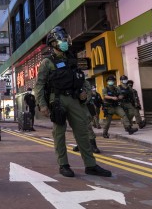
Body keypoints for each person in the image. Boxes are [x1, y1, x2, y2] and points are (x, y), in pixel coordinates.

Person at [33, 26, 111, 178]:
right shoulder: (47, 62)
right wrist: (42, 104)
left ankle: (90, 165)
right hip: (58, 101)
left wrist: (86, 94)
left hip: (75, 100)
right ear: (53, 43)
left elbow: (82, 80)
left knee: (82, 132)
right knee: (59, 134)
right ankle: (64, 165)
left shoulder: (71, 59)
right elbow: (39, 85)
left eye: (64, 39)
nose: (64, 42)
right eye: (60, 39)